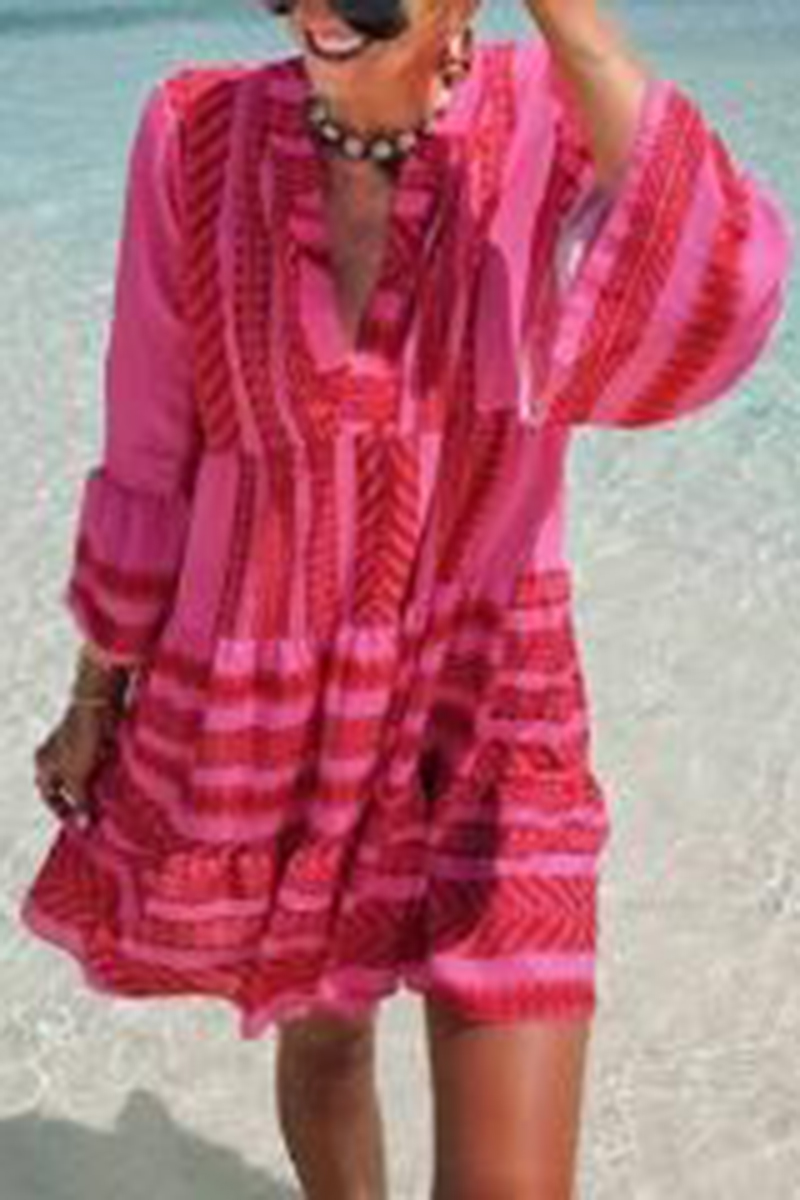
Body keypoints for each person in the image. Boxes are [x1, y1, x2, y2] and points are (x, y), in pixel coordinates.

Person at [23, 0, 792, 1196]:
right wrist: (95, 691)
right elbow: (149, 450)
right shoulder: (193, 133)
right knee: (327, 1045)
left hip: (487, 713)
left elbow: (719, 284)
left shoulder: (547, 123)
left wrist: (572, 22)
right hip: (282, 718)